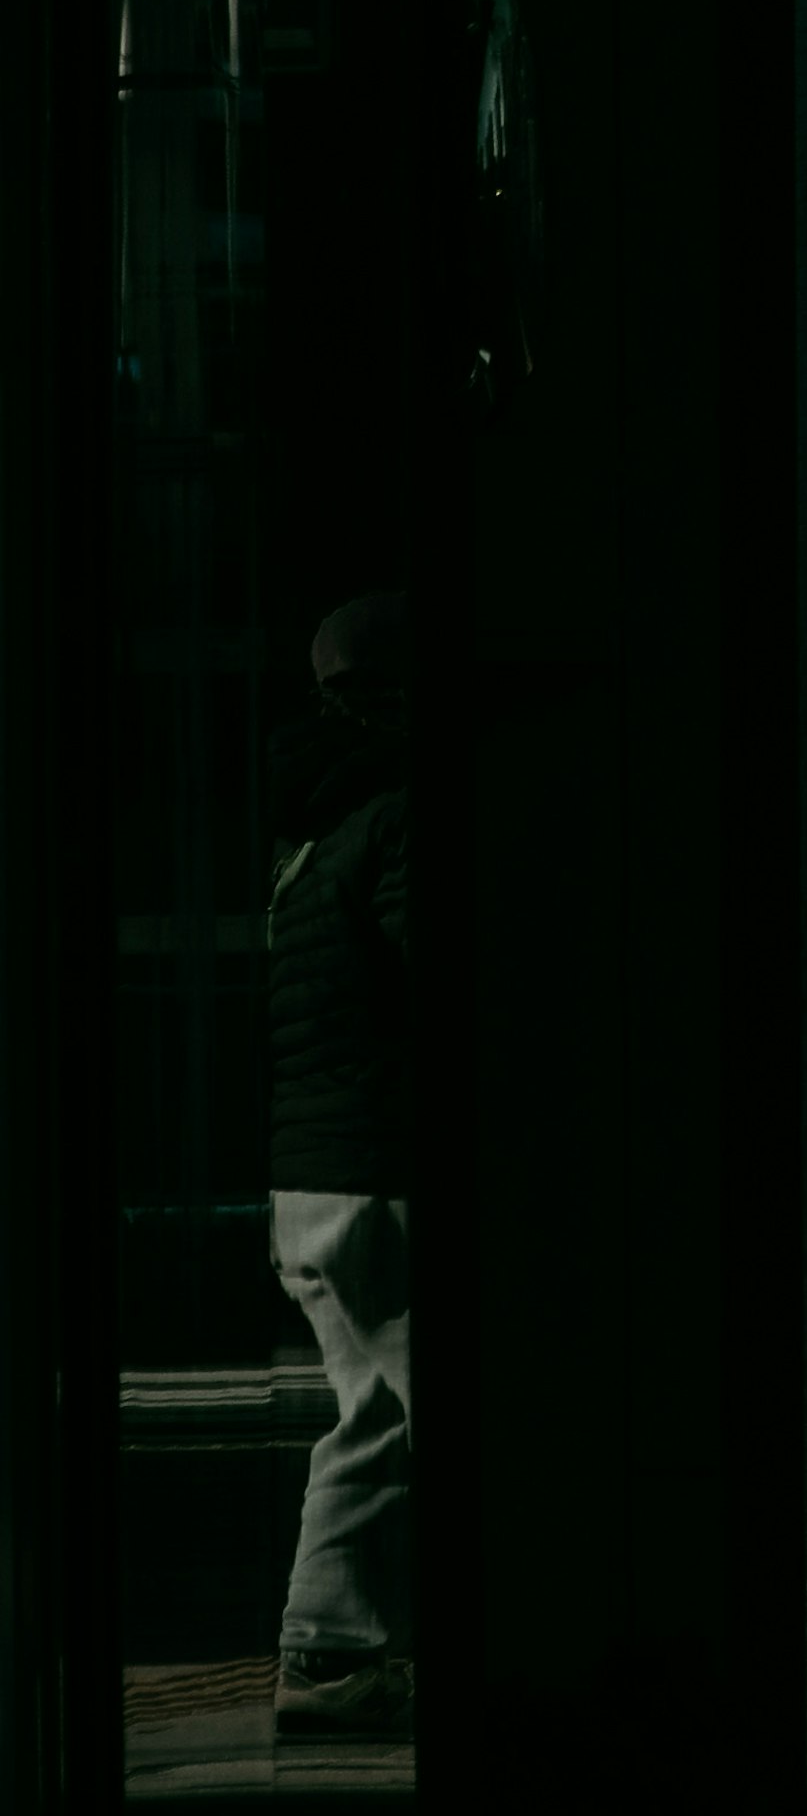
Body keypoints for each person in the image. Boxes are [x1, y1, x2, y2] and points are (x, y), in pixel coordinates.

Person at [266, 590, 416, 1742]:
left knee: (373, 1412)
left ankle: (330, 1649)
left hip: (308, 1180)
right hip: (377, 1172)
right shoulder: (396, 820)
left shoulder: (307, 839)